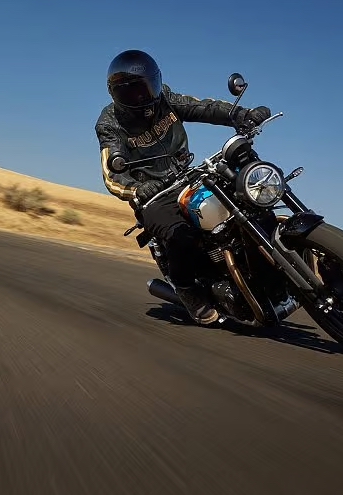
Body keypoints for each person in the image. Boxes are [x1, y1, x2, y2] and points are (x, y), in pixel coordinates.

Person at [95, 49, 272, 325]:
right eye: (131, 92)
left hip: (188, 176)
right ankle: (188, 289)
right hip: (153, 195)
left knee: (247, 199)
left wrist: (240, 114)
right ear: (116, 94)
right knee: (180, 236)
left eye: (146, 87)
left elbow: (203, 107)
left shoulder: (165, 98)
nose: (142, 96)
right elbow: (111, 174)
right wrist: (137, 190)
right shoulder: (110, 123)